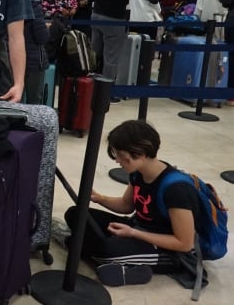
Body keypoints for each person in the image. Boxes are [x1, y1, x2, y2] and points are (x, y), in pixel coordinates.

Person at [62, 120, 200, 287]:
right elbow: (127, 205)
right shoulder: (138, 173)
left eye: (121, 155)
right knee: (75, 214)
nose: (117, 161)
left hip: (168, 251)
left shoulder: (177, 189)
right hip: (137, 229)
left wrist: (134, 234)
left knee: (103, 249)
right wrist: (100, 198)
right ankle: (104, 250)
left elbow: (184, 243)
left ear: (140, 153)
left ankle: (125, 264)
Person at [14, 0, 50, 105]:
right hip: (34, 62)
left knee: (13, 101)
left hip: (12, 60)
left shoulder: (7, 3)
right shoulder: (34, 5)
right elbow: (41, 36)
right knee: (34, 102)